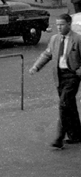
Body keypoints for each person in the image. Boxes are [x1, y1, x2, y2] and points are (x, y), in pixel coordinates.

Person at [29, 13, 81, 149]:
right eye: (57, 25)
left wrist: (79, 71)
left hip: (72, 76)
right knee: (69, 105)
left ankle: (59, 137)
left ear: (69, 24)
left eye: (62, 25)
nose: (59, 27)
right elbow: (47, 54)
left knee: (63, 104)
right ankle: (76, 134)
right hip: (59, 76)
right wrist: (36, 66)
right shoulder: (54, 39)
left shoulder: (78, 39)